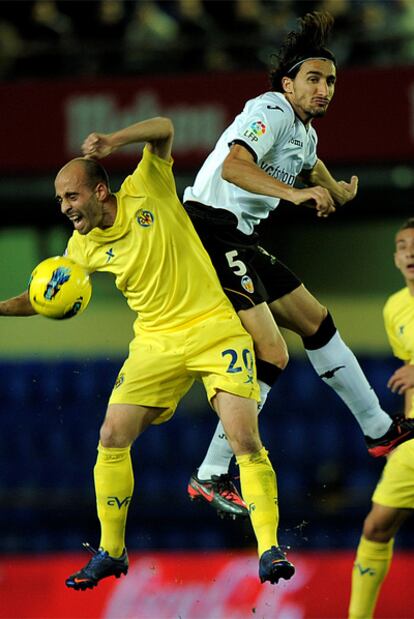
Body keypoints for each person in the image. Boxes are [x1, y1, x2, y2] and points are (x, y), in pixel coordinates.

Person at [0, 117, 295, 589]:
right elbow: (41, 296)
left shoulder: (147, 185)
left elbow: (163, 128)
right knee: (111, 434)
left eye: (71, 197)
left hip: (215, 330)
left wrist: (114, 141)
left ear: (100, 191)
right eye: (59, 200)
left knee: (244, 439)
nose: (64, 208)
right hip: (156, 343)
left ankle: (270, 549)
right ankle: (111, 552)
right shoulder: (82, 247)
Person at [182, 10, 414, 519]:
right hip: (206, 231)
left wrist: (333, 189)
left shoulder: (303, 132)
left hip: (239, 238)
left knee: (317, 321)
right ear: (288, 84)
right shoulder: (270, 108)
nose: (324, 88)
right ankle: (211, 471)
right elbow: (234, 165)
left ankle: (379, 429)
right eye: (313, 78)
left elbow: (307, 159)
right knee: (273, 351)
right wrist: (295, 194)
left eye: (330, 80)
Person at [348, 219, 414, 619]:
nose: (411, 252)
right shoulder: (394, 308)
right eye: (403, 245)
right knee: (376, 527)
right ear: (395, 257)